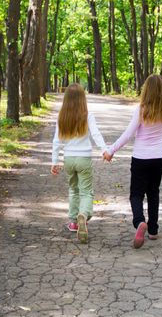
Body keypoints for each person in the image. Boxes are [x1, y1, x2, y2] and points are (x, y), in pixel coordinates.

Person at [103, 74, 162, 249]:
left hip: (141, 157)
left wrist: (111, 150)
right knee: (153, 192)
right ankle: (153, 229)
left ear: (146, 90)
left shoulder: (141, 109)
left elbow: (128, 134)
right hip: (159, 157)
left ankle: (140, 221)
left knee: (136, 194)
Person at [51, 83, 107, 244]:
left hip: (68, 159)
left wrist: (55, 161)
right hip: (84, 158)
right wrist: (104, 150)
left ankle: (74, 222)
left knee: (73, 190)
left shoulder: (62, 116)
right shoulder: (87, 115)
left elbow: (57, 141)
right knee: (86, 191)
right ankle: (84, 214)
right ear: (83, 99)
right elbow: (96, 134)